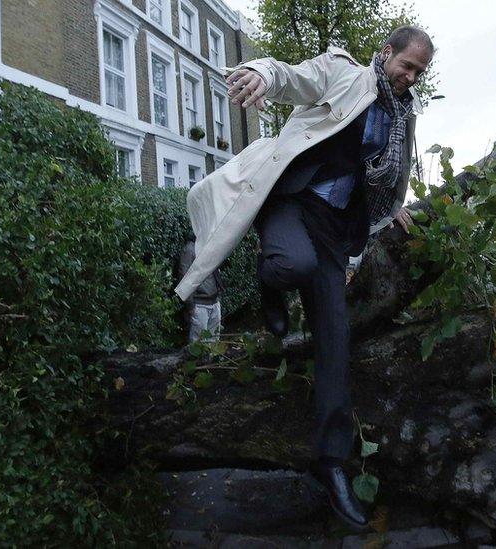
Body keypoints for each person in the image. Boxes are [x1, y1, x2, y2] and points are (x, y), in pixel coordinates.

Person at [175, 25, 433, 529]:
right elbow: (293, 76)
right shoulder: (345, 75)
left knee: (334, 343)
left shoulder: (404, 114)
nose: (411, 78)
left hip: (336, 229)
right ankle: (269, 282)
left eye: (419, 72)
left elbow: (387, 176)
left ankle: (332, 464)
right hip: (291, 201)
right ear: (386, 53)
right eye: (407, 66)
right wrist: (260, 73)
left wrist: (394, 211)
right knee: (292, 264)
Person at [177, 238, 223, 343]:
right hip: (199, 304)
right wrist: (190, 305)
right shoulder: (190, 249)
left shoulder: (209, 245)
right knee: (197, 344)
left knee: (214, 342)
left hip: (214, 302)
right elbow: (184, 276)